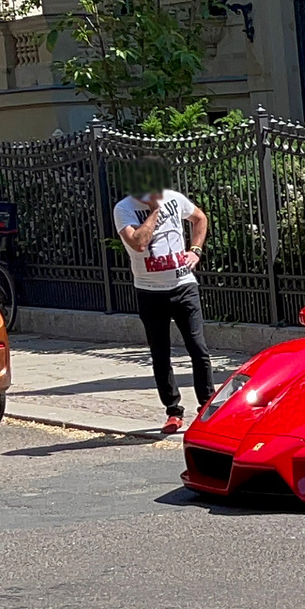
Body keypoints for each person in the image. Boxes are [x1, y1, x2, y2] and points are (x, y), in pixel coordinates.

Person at [113, 184, 214, 434]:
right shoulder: (124, 209)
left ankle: (207, 408)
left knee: (198, 348)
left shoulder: (175, 199)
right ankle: (173, 411)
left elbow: (200, 218)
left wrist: (196, 251)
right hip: (150, 292)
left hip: (183, 286)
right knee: (161, 353)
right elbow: (138, 243)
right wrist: (155, 211)